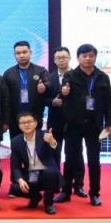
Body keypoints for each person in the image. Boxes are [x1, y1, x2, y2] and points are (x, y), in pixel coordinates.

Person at [57, 44, 111, 207]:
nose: (88, 59)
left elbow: (109, 102)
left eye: (91, 56)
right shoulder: (70, 75)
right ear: (78, 58)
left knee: (94, 161)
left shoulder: (102, 77)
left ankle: (94, 193)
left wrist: (109, 123)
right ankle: (66, 191)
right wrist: (63, 92)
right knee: (70, 159)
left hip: (94, 125)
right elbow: (63, 93)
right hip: (74, 124)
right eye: (84, 56)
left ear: (95, 57)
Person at [10, 112, 61, 215]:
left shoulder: (45, 135)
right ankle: (35, 197)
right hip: (31, 173)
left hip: (46, 173)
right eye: (23, 123)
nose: (26, 125)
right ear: (19, 126)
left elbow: (57, 152)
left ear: (36, 123)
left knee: (51, 173)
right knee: (14, 188)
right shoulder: (16, 141)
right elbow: (15, 165)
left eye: (29, 122)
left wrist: (52, 142)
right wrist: (20, 180)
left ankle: (48, 203)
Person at [3, 40, 50, 140]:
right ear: (14, 55)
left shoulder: (41, 71)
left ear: (30, 52)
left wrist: (44, 87)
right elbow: (5, 99)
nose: (21, 55)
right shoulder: (8, 73)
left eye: (24, 52)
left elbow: (49, 84)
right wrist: (6, 120)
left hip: (35, 117)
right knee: (16, 144)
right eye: (18, 53)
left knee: (36, 145)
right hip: (15, 119)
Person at [46, 46, 75, 177]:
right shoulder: (49, 77)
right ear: (54, 60)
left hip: (73, 121)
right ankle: (56, 180)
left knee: (73, 153)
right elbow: (42, 99)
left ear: (70, 58)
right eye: (58, 58)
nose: (61, 60)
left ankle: (74, 183)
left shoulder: (77, 76)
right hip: (55, 120)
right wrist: (52, 101)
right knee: (54, 151)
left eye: (64, 57)